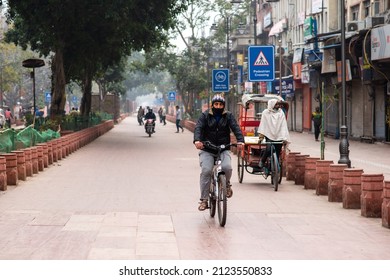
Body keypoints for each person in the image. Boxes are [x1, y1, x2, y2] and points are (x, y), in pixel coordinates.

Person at [193, 94, 244, 211]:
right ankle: (204, 200)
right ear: (212, 105)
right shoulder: (205, 115)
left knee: (227, 167)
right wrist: (197, 140)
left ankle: (226, 184)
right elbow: (198, 128)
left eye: (221, 104)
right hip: (207, 148)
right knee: (206, 170)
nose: (218, 106)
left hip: (223, 148)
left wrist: (240, 141)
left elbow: (236, 128)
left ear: (223, 106)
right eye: (216, 104)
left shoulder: (228, 116)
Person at [257, 99, 290, 170]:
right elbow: (263, 125)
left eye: (278, 104)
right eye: (276, 104)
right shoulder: (265, 113)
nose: (278, 106)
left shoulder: (281, 113)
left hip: (279, 135)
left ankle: (274, 169)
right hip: (269, 135)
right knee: (268, 149)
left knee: (278, 152)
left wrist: (285, 137)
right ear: (272, 105)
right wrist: (261, 137)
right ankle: (262, 161)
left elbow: (283, 126)